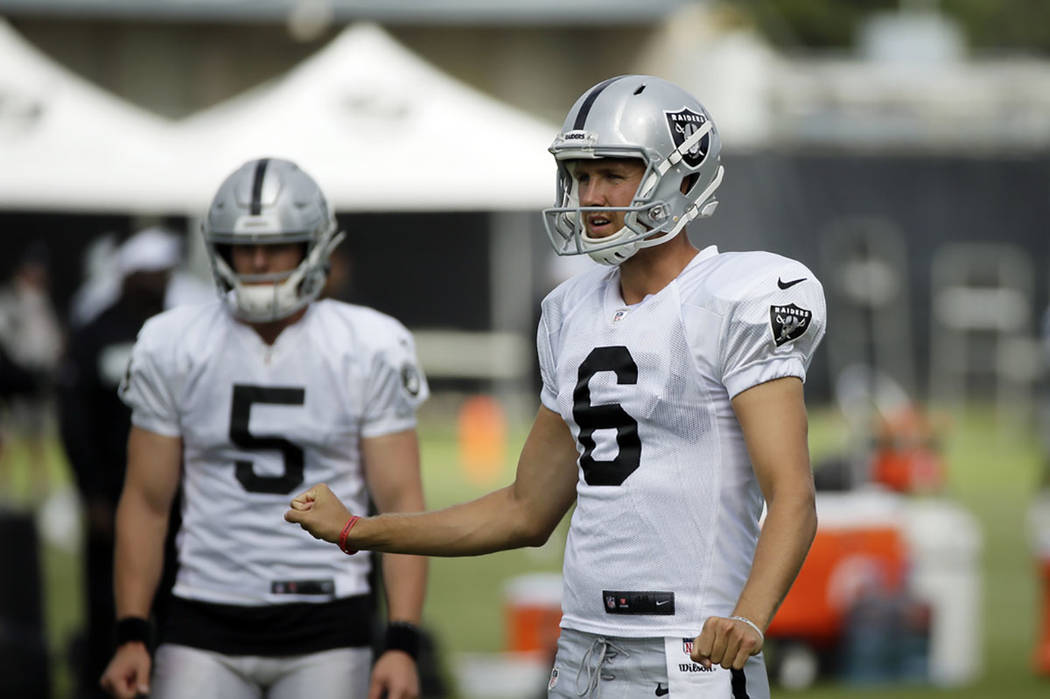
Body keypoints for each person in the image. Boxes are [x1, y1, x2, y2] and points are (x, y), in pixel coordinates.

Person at [286, 75, 826, 698]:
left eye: (612, 175)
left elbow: (791, 494)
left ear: (681, 176)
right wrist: (359, 530)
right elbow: (524, 510)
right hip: (581, 653)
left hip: (692, 652)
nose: (590, 195)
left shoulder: (737, 297)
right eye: (581, 175)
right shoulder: (570, 311)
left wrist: (749, 616)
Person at [100, 158, 429, 699]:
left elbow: (400, 504)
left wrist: (401, 641)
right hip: (203, 614)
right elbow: (145, 501)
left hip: (327, 621)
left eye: (277, 245)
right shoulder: (172, 341)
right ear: (216, 247)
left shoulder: (369, 345)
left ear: (315, 246)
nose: (256, 261)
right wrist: (133, 630)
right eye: (241, 245)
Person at [58, 227, 184, 699]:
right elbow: (74, 419)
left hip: (173, 499)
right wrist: (91, 493)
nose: (158, 282)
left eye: (164, 273)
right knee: (107, 605)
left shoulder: (180, 334)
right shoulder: (95, 332)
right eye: (149, 274)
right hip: (111, 494)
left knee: (175, 605)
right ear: (130, 275)